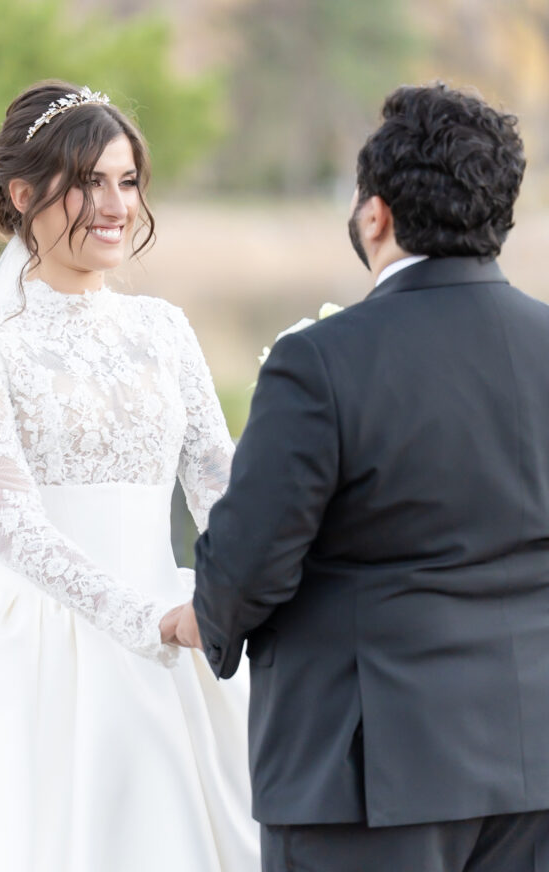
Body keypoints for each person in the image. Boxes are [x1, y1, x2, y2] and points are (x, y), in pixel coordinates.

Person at [0, 80, 260, 871]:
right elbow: (15, 527)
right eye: (89, 182)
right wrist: (144, 618)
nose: (115, 205)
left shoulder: (165, 328)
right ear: (24, 194)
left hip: (184, 628)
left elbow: (218, 483)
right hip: (41, 644)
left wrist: (243, 588)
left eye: (126, 181)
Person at [188, 83, 549, 871]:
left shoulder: (320, 360)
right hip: (532, 755)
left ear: (375, 215)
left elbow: (249, 561)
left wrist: (204, 619)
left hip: (365, 773)